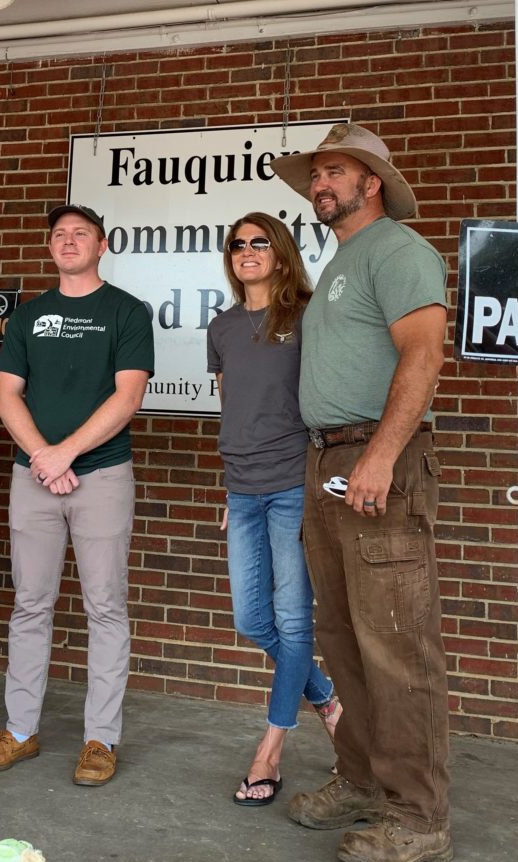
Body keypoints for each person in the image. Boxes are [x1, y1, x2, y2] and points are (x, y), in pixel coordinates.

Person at [269, 123, 450, 862]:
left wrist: (379, 455)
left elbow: (424, 353)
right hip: (327, 462)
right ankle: (364, 781)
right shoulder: (345, 259)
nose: (321, 184)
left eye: (335, 171)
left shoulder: (401, 251)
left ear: (370, 181)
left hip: (379, 461)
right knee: (343, 638)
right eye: (316, 174)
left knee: (398, 646)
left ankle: (419, 817)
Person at [0, 203, 153, 787]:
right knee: (30, 605)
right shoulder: (29, 316)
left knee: (105, 608)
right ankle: (20, 731)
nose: (68, 241)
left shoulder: (127, 311)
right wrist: (44, 460)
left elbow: (127, 398)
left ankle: (101, 739)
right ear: (49, 248)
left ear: (103, 245)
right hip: (34, 481)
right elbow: (5, 395)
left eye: (80, 234)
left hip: (100, 478)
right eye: (59, 235)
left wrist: (65, 453)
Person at [206, 212, 342, 808]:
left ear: (282, 254)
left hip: (293, 486)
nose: (247, 252)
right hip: (244, 488)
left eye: (259, 242)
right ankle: (329, 700)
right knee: (250, 620)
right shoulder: (223, 326)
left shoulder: (309, 316)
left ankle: (270, 752)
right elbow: (230, 405)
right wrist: (229, 490)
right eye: (237, 244)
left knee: (292, 623)